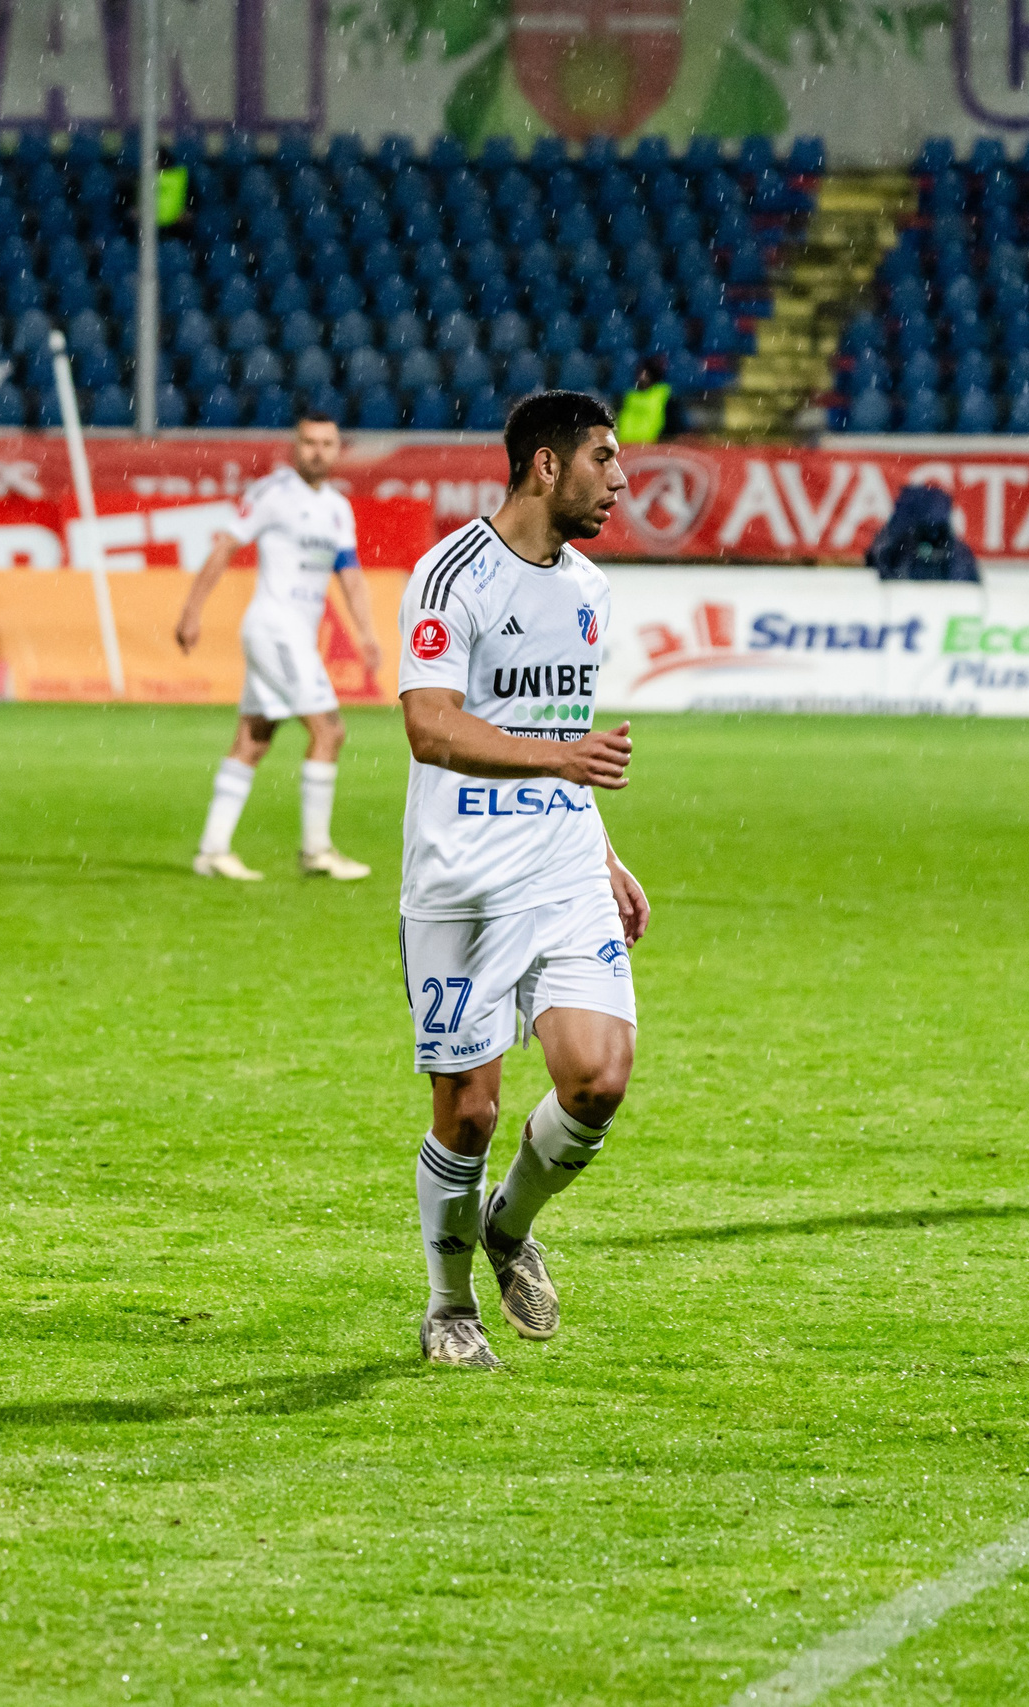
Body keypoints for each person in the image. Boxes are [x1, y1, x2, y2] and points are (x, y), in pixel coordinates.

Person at [394, 390, 646, 1370]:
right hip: (463, 884)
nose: (618, 483)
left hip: (561, 866)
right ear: (546, 465)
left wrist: (607, 853)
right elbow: (430, 727)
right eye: (603, 460)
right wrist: (561, 764)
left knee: (597, 1080)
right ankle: (448, 1308)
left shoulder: (589, 590)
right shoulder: (450, 576)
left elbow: (560, 744)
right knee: (469, 1112)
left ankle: (508, 1224)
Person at [174, 411, 378, 880]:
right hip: (274, 628)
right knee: (329, 732)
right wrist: (191, 611)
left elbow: (349, 574)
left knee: (253, 739)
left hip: (294, 635)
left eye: (327, 443)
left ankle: (212, 850)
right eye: (309, 442)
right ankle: (316, 851)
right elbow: (226, 546)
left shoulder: (337, 508)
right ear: (294, 445)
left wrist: (366, 633)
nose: (318, 451)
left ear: (337, 449)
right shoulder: (273, 493)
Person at [616, 358, 669, 445]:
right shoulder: (628, 395)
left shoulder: (663, 393)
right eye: (641, 373)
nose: (642, 377)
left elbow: (671, 422)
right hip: (625, 443)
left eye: (646, 373)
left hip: (651, 445)